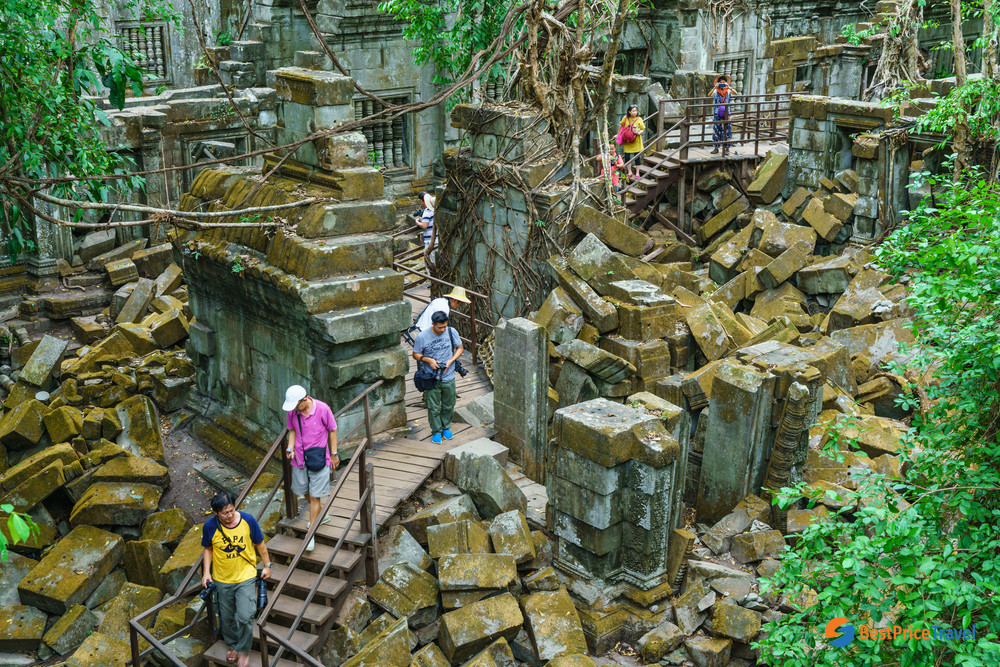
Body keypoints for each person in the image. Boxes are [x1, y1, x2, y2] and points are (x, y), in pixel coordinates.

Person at [201, 491, 271, 667]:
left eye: (232, 510)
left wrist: (267, 565)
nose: (229, 515)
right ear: (216, 512)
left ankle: (244, 650)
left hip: (245, 575)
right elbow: (208, 548)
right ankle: (232, 646)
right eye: (225, 513)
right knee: (227, 616)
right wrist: (206, 573)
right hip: (222, 578)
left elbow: (260, 543)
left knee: (246, 615)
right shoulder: (210, 526)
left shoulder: (247, 520)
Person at [282, 385, 338, 552]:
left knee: (315, 497)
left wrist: (334, 453)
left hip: (319, 457)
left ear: (304, 399)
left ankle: (310, 533)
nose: (294, 409)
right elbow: (292, 430)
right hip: (299, 457)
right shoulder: (293, 411)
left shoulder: (322, 408)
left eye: (296, 405)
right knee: (302, 491)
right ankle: (322, 514)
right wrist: (290, 447)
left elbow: (332, 430)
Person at [412, 311, 464, 444]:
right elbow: (415, 354)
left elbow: (460, 348)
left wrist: (451, 360)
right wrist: (429, 360)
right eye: (439, 327)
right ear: (433, 324)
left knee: (449, 404)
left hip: (448, 375)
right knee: (433, 407)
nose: (443, 330)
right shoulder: (422, 337)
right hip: (431, 377)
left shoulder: (451, 332)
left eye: (445, 326)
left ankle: (446, 427)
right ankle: (436, 431)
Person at [711, 75, 739, 155]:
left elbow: (735, 93)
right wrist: (714, 87)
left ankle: (727, 148)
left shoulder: (728, 90)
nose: (722, 84)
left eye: (724, 82)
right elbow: (709, 95)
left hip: (727, 112)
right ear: (718, 83)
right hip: (717, 112)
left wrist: (729, 87)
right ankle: (716, 148)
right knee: (716, 129)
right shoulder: (716, 91)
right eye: (721, 82)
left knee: (727, 129)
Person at [619, 104, 645, 180]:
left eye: (636, 111)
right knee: (627, 157)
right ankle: (629, 172)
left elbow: (642, 128)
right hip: (627, 141)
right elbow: (621, 126)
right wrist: (618, 135)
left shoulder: (639, 119)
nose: (635, 112)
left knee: (637, 157)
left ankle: (637, 172)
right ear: (629, 111)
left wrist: (639, 132)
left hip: (636, 141)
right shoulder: (626, 118)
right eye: (633, 111)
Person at [415, 191, 436, 263]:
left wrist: (417, 222)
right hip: (437, 240)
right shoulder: (435, 209)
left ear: (422, 201)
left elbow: (424, 226)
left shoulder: (427, 211)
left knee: (429, 262)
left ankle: (430, 274)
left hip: (430, 241)